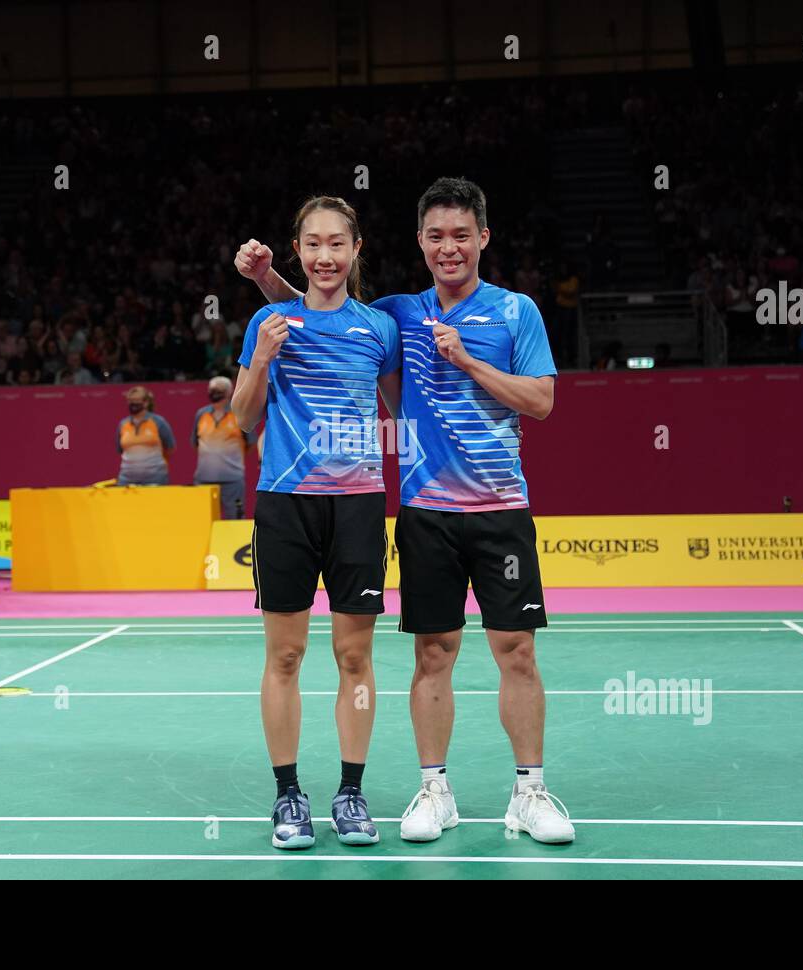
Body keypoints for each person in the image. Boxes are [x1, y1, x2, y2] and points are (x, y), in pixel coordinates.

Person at [236, 177, 574, 844]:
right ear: (419, 242)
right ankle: (429, 789)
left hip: (495, 505)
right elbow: (314, 313)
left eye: (461, 235)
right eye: (436, 236)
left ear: (482, 237)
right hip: (419, 510)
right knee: (431, 654)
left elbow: (540, 402)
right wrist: (266, 278)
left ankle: (528, 792)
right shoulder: (399, 313)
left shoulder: (510, 313)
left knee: (516, 653)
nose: (449, 247)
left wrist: (467, 361)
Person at [230, 196, 401, 850]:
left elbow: (403, 408)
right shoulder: (269, 319)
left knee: (354, 656)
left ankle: (352, 792)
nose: (325, 256)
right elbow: (244, 419)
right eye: (313, 245)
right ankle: (288, 795)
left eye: (337, 244)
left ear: (356, 251)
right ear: (297, 252)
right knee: (287, 655)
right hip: (285, 503)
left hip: (357, 505)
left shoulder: (377, 328)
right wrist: (266, 357)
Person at [191, 376, 253, 519]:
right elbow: (195, 443)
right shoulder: (201, 414)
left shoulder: (238, 413)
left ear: (229, 392)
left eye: (219, 390)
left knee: (235, 520)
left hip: (232, 479)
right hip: (203, 479)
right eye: (212, 390)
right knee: (203, 520)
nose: (214, 393)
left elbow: (250, 443)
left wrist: (232, 460)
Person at [115, 386, 174, 485]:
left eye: (136, 400)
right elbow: (120, 450)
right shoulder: (123, 424)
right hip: (126, 479)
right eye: (130, 401)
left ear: (146, 403)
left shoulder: (159, 422)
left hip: (156, 479)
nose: (133, 404)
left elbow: (170, 447)